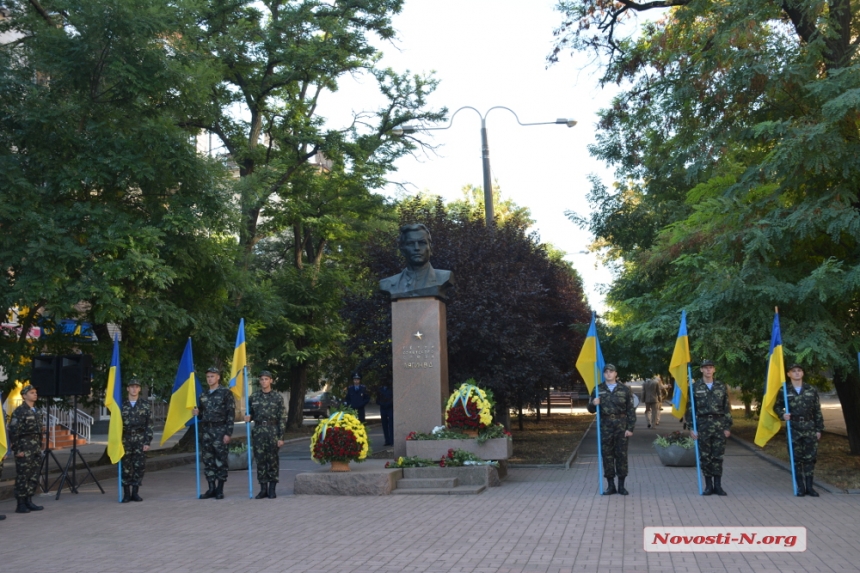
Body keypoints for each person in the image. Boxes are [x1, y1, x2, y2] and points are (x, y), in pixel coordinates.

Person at [774, 363, 824, 497]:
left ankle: (810, 487)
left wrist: (819, 429)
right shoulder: (784, 390)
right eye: (793, 371)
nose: (797, 373)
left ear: (802, 373)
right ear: (788, 374)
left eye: (799, 371)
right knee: (796, 459)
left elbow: (817, 411)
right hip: (794, 428)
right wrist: (782, 415)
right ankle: (800, 487)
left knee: (810, 458)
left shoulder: (810, 390)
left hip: (809, 427)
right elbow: (777, 407)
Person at [586, 364, 635, 495]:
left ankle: (621, 485)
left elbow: (631, 410)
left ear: (616, 374)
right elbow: (590, 409)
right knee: (607, 455)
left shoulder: (624, 389)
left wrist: (630, 428)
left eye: (611, 372)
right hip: (605, 425)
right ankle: (610, 485)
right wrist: (593, 403)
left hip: (621, 425)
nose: (608, 374)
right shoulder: (597, 389)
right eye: (606, 372)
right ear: (603, 374)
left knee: (621, 455)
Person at [687, 359, 733, 496]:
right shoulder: (695, 387)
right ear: (701, 370)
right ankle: (708, 485)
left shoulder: (721, 386)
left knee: (718, 456)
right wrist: (691, 427)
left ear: (714, 370)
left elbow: (727, 407)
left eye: (711, 367)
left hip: (719, 424)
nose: (708, 370)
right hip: (703, 425)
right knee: (705, 456)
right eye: (705, 368)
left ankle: (718, 485)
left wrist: (727, 426)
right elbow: (690, 409)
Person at [379, 223, 454, 300]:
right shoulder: (388, 283)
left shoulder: (444, 277)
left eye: (422, 243)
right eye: (411, 244)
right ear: (402, 251)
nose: (417, 248)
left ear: (430, 248)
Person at [192, 367, 234, 500]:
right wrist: (197, 414)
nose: (210, 379)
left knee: (221, 460)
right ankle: (211, 488)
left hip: (220, 430)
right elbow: (202, 415)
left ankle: (220, 489)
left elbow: (230, 414)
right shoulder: (203, 395)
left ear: (218, 377)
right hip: (206, 431)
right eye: (208, 376)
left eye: (212, 376)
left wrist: (228, 433)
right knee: (208, 460)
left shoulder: (225, 393)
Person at [243, 371, 286, 499]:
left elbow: (282, 418)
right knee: (260, 460)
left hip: (272, 430)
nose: (264, 382)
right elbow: (249, 414)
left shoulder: (277, 397)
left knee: (272, 460)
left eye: (266, 379)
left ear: (271, 381)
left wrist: (281, 437)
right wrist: (247, 417)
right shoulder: (254, 397)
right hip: (259, 431)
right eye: (261, 379)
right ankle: (263, 489)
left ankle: (272, 489)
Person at [8, 384, 45, 514]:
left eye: (35, 392)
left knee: (33, 475)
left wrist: (41, 445)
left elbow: (39, 431)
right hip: (24, 447)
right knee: (23, 476)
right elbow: (13, 431)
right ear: (24, 396)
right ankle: (21, 503)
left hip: (35, 448)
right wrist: (17, 450)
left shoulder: (37, 411)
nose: (35, 394)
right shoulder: (19, 411)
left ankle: (29, 500)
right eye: (31, 393)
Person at [120, 378, 153, 503]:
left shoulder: (144, 405)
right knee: (126, 467)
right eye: (131, 386)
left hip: (140, 439)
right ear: (128, 388)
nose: (134, 389)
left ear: (139, 389)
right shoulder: (121, 405)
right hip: (125, 439)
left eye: (136, 387)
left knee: (139, 466)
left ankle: (135, 492)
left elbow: (149, 425)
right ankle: (126, 494)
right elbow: (116, 425)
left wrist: (147, 442)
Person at [376, 381, 394, 446]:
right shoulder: (380, 389)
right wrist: (381, 404)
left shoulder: (391, 388)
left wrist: (389, 404)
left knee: (391, 424)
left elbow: (393, 398)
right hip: (383, 408)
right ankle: (387, 440)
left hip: (389, 408)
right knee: (384, 425)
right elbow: (377, 400)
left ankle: (392, 440)